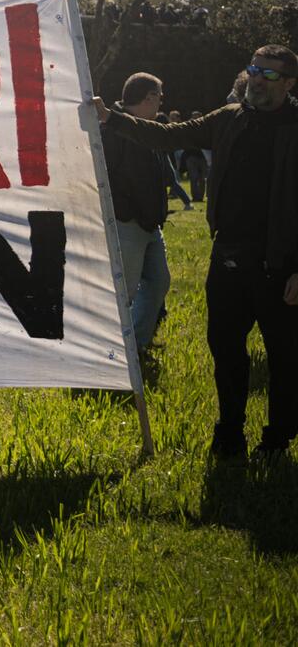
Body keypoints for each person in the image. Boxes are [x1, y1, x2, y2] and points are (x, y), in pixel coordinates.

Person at [98, 46, 298, 458]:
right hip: (228, 259)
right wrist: (112, 119)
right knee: (226, 353)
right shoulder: (229, 119)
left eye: (270, 75)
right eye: (254, 70)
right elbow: (168, 135)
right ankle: (229, 436)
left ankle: (277, 440)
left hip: (281, 266)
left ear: (290, 83)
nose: (258, 79)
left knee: (285, 360)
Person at [100, 74, 172, 361]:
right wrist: (126, 211)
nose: (161, 103)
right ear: (149, 98)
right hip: (127, 223)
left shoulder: (148, 128)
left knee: (158, 283)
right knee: (123, 293)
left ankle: (137, 345)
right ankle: (111, 353)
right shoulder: (113, 129)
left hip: (150, 225)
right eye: (159, 97)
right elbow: (105, 175)